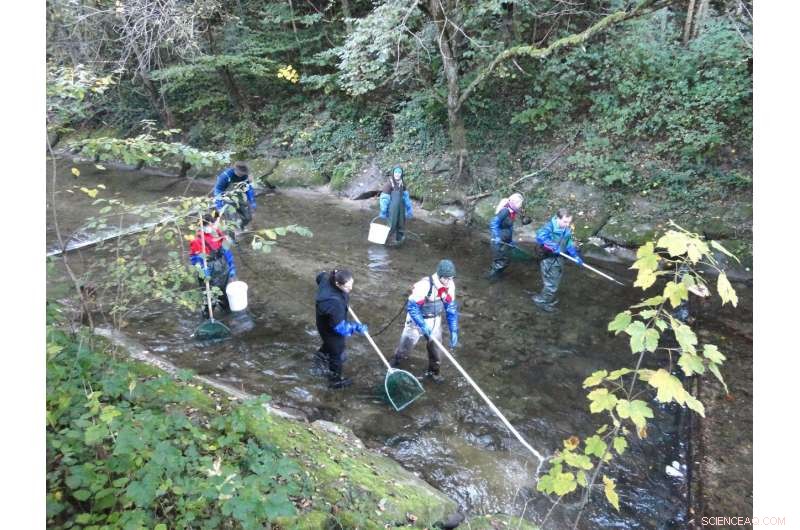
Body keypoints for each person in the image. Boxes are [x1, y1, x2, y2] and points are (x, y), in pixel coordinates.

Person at [391, 259, 459, 383]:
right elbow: (412, 307)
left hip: (435, 320)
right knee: (404, 349)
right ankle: (395, 365)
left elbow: (451, 309)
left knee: (436, 352)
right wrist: (422, 325)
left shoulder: (450, 286)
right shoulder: (424, 286)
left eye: (452, 278)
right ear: (439, 276)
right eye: (447, 278)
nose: (449, 281)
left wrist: (454, 330)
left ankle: (433, 373)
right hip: (416, 322)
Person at [315, 269, 369, 389]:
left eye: (351, 285)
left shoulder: (327, 278)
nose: (351, 289)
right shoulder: (334, 303)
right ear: (337, 284)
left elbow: (319, 277)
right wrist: (356, 327)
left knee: (331, 345)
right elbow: (341, 328)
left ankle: (321, 356)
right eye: (347, 287)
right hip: (329, 328)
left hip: (325, 320)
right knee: (337, 353)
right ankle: (335, 382)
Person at [532, 208, 583, 312]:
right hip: (548, 259)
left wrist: (575, 255)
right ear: (558, 218)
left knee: (555, 280)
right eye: (565, 221)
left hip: (559, 258)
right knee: (551, 283)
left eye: (569, 222)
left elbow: (568, 243)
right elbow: (540, 237)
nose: (567, 224)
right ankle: (542, 302)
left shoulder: (567, 229)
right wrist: (553, 245)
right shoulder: (549, 227)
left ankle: (547, 298)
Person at [189, 212, 237, 317]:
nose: (211, 227)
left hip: (222, 268)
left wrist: (231, 267)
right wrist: (202, 270)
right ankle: (206, 317)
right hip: (209, 270)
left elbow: (226, 250)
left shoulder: (217, 232)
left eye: (212, 224)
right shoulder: (197, 241)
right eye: (208, 225)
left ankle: (228, 315)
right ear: (202, 226)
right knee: (209, 299)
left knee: (224, 295)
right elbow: (194, 259)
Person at [486, 193, 530, 281]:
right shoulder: (505, 211)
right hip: (498, 241)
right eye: (519, 204)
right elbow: (493, 223)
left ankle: (494, 276)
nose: (520, 206)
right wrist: (497, 237)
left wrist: (510, 241)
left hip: (505, 240)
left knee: (504, 260)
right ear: (514, 203)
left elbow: (508, 227)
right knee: (500, 261)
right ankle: (491, 279)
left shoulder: (511, 211)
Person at [214, 161, 256, 232]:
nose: (242, 175)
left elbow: (248, 189)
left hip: (238, 198)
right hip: (225, 199)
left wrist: (252, 202)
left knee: (248, 217)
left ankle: (241, 227)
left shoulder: (246, 176)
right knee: (231, 221)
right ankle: (231, 236)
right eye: (240, 173)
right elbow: (218, 190)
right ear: (235, 169)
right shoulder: (225, 176)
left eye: (243, 173)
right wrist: (219, 204)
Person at [378, 166, 413, 244]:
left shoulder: (402, 183)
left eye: (399, 172)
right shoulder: (389, 184)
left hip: (401, 208)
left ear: (401, 174)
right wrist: (383, 210)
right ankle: (385, 241)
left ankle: (399, 240)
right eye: (396, 172)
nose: (397, 174)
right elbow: (384, 198)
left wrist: (409, 208)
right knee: (392, 225)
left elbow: (405, 196)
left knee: (401, 224)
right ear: (393, 173)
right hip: (392, 209)